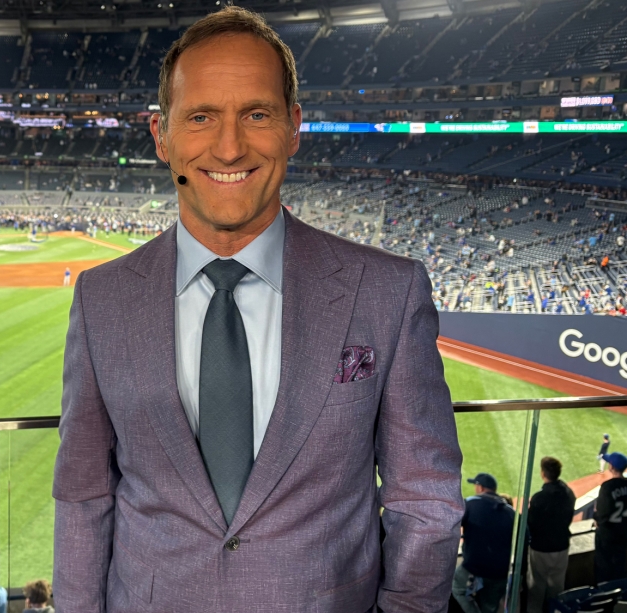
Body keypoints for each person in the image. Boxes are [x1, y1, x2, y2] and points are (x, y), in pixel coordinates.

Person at [52, 7, 463, 613]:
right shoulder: (101, 298)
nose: (229, 145)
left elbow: (424, 497)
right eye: (200, 117)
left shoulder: (388, 291)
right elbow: (84, 496)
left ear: (294, 127)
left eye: (257, 114)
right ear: (161, 136)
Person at [453, 473, 516, 613]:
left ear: (480, 487)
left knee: (457, 588)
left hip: (475, 568)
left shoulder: (471, 503)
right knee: (490, 606)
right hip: (501, 571)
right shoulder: (510, 512)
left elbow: (451, 526)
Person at [526, 457, 576, 613]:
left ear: (543, 473)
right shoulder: (568, 492)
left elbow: (531, 524)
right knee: (557, 588)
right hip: (562, 546)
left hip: (541, 549)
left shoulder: (539, 498)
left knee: (536, 589)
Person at [595, 451, 627, 583]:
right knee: (621, 572)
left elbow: (601, 514)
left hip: (608, 538)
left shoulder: (607, 487)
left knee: (604, 574)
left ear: (611, 467)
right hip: (624, 536)